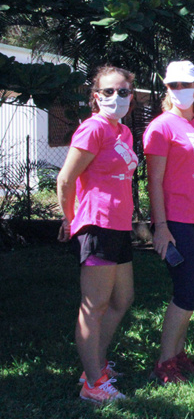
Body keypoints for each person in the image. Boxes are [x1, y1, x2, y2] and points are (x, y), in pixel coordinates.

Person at [57, 66, 138, 404]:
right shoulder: (93, 129)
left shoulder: (124, 133)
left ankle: (96, 365)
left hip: (119, 225)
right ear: (96, 96)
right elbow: (65, 180)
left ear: (131, 96)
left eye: (122, 92)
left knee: (122, 299)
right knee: (94, 306)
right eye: (108, 92)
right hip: (97, 225)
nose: (115, 97)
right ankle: (93, 383)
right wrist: (70, 218)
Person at [144, 60, 194, 384]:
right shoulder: (160, 127)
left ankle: (177, 355)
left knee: (190, 288)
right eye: (173, 85)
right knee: (188, 290)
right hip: (177, 220)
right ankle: (164, 363)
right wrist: (160, 227)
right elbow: (154, 182)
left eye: (186, 85)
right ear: (167, 89)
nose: (180, 91)